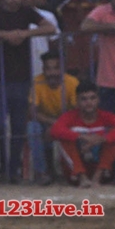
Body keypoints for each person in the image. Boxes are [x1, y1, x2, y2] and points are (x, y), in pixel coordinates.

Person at [0, 0, 57, 180]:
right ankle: (1, 167)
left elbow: (50, 28)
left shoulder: (27, 12)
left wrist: (24, 34)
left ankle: (13, 170)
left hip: (21, 77)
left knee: (19, 126)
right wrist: (4, 35)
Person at [48, 81, 115, 186]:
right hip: (74, 174)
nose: (89, 102)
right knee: (64, 138)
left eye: (92, 98)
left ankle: (97, 176)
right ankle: (82, 177)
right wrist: (81, 137)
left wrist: (102, 139)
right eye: (84, 99)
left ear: (98, 100)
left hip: (104, 172)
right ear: (77, 101)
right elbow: (55, 130)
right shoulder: (70, 116)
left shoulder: (107, 116)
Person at [27, 53, 78, 185]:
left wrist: (60, 125)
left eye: (56, 68)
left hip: (68, 121)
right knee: (33, 128)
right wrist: (54, 123)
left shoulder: (72, 82)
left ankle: (77, 170)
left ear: (62, 68)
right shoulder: (37, 81)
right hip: (46, 122)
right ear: (43, 70)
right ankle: (41, 173)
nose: (52, 72)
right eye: (48, 69)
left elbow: (78, 111)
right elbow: (32, 112)